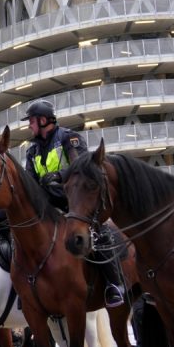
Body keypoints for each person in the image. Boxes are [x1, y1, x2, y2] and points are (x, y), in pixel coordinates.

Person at [21, 99, 123, 308]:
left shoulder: (69, 138)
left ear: (42, 120)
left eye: (31, 121)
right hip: (46, 201)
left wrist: (58, 175)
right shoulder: (31, 151)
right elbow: (30, 180)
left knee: (98, 231)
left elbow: (82, 166)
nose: (29, 126)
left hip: (72, 198)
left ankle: (114, 284)